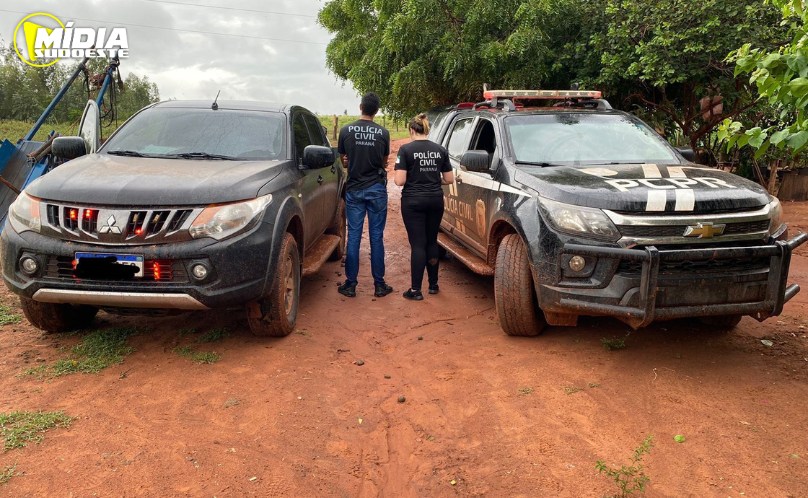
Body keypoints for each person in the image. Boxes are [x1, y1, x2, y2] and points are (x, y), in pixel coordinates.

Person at [336, 93, 393, 298]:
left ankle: (350, 284)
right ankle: (379, 285)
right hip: (376, 188)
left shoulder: (345, 130)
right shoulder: (383, 133)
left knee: (354, 237)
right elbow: (384, 162)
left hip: (354, 189)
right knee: (376, 237)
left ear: (361, 107)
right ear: (376, 111)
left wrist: (351, 162)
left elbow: (343, 160)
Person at [394, 113, 454, 301]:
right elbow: (449, 179)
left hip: (413, 202)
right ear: (427, 129)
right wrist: (432, 179)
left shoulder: (405, 150)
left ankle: (415, 290)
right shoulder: (440, 150)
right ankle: (434, 285)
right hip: (435, 200)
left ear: (412, 130)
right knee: (431, 241)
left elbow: (399, 181)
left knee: (418, 244)